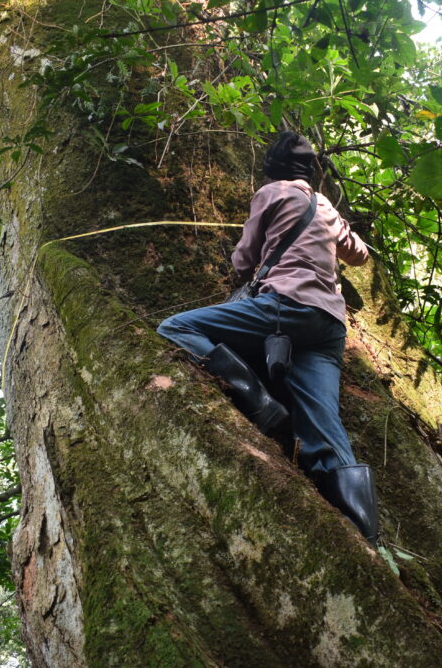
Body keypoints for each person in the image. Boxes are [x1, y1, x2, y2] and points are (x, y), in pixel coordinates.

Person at [157, 131, 378, 545]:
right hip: (328, 325)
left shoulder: (272, 192)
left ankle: (258, 400)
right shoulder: (326, 207)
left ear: (272, 169)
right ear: (309, 172)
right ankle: (366, 533)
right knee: (323, 424)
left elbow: (243, 260)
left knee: (175, 328)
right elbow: (360, 254)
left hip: (285, 306)